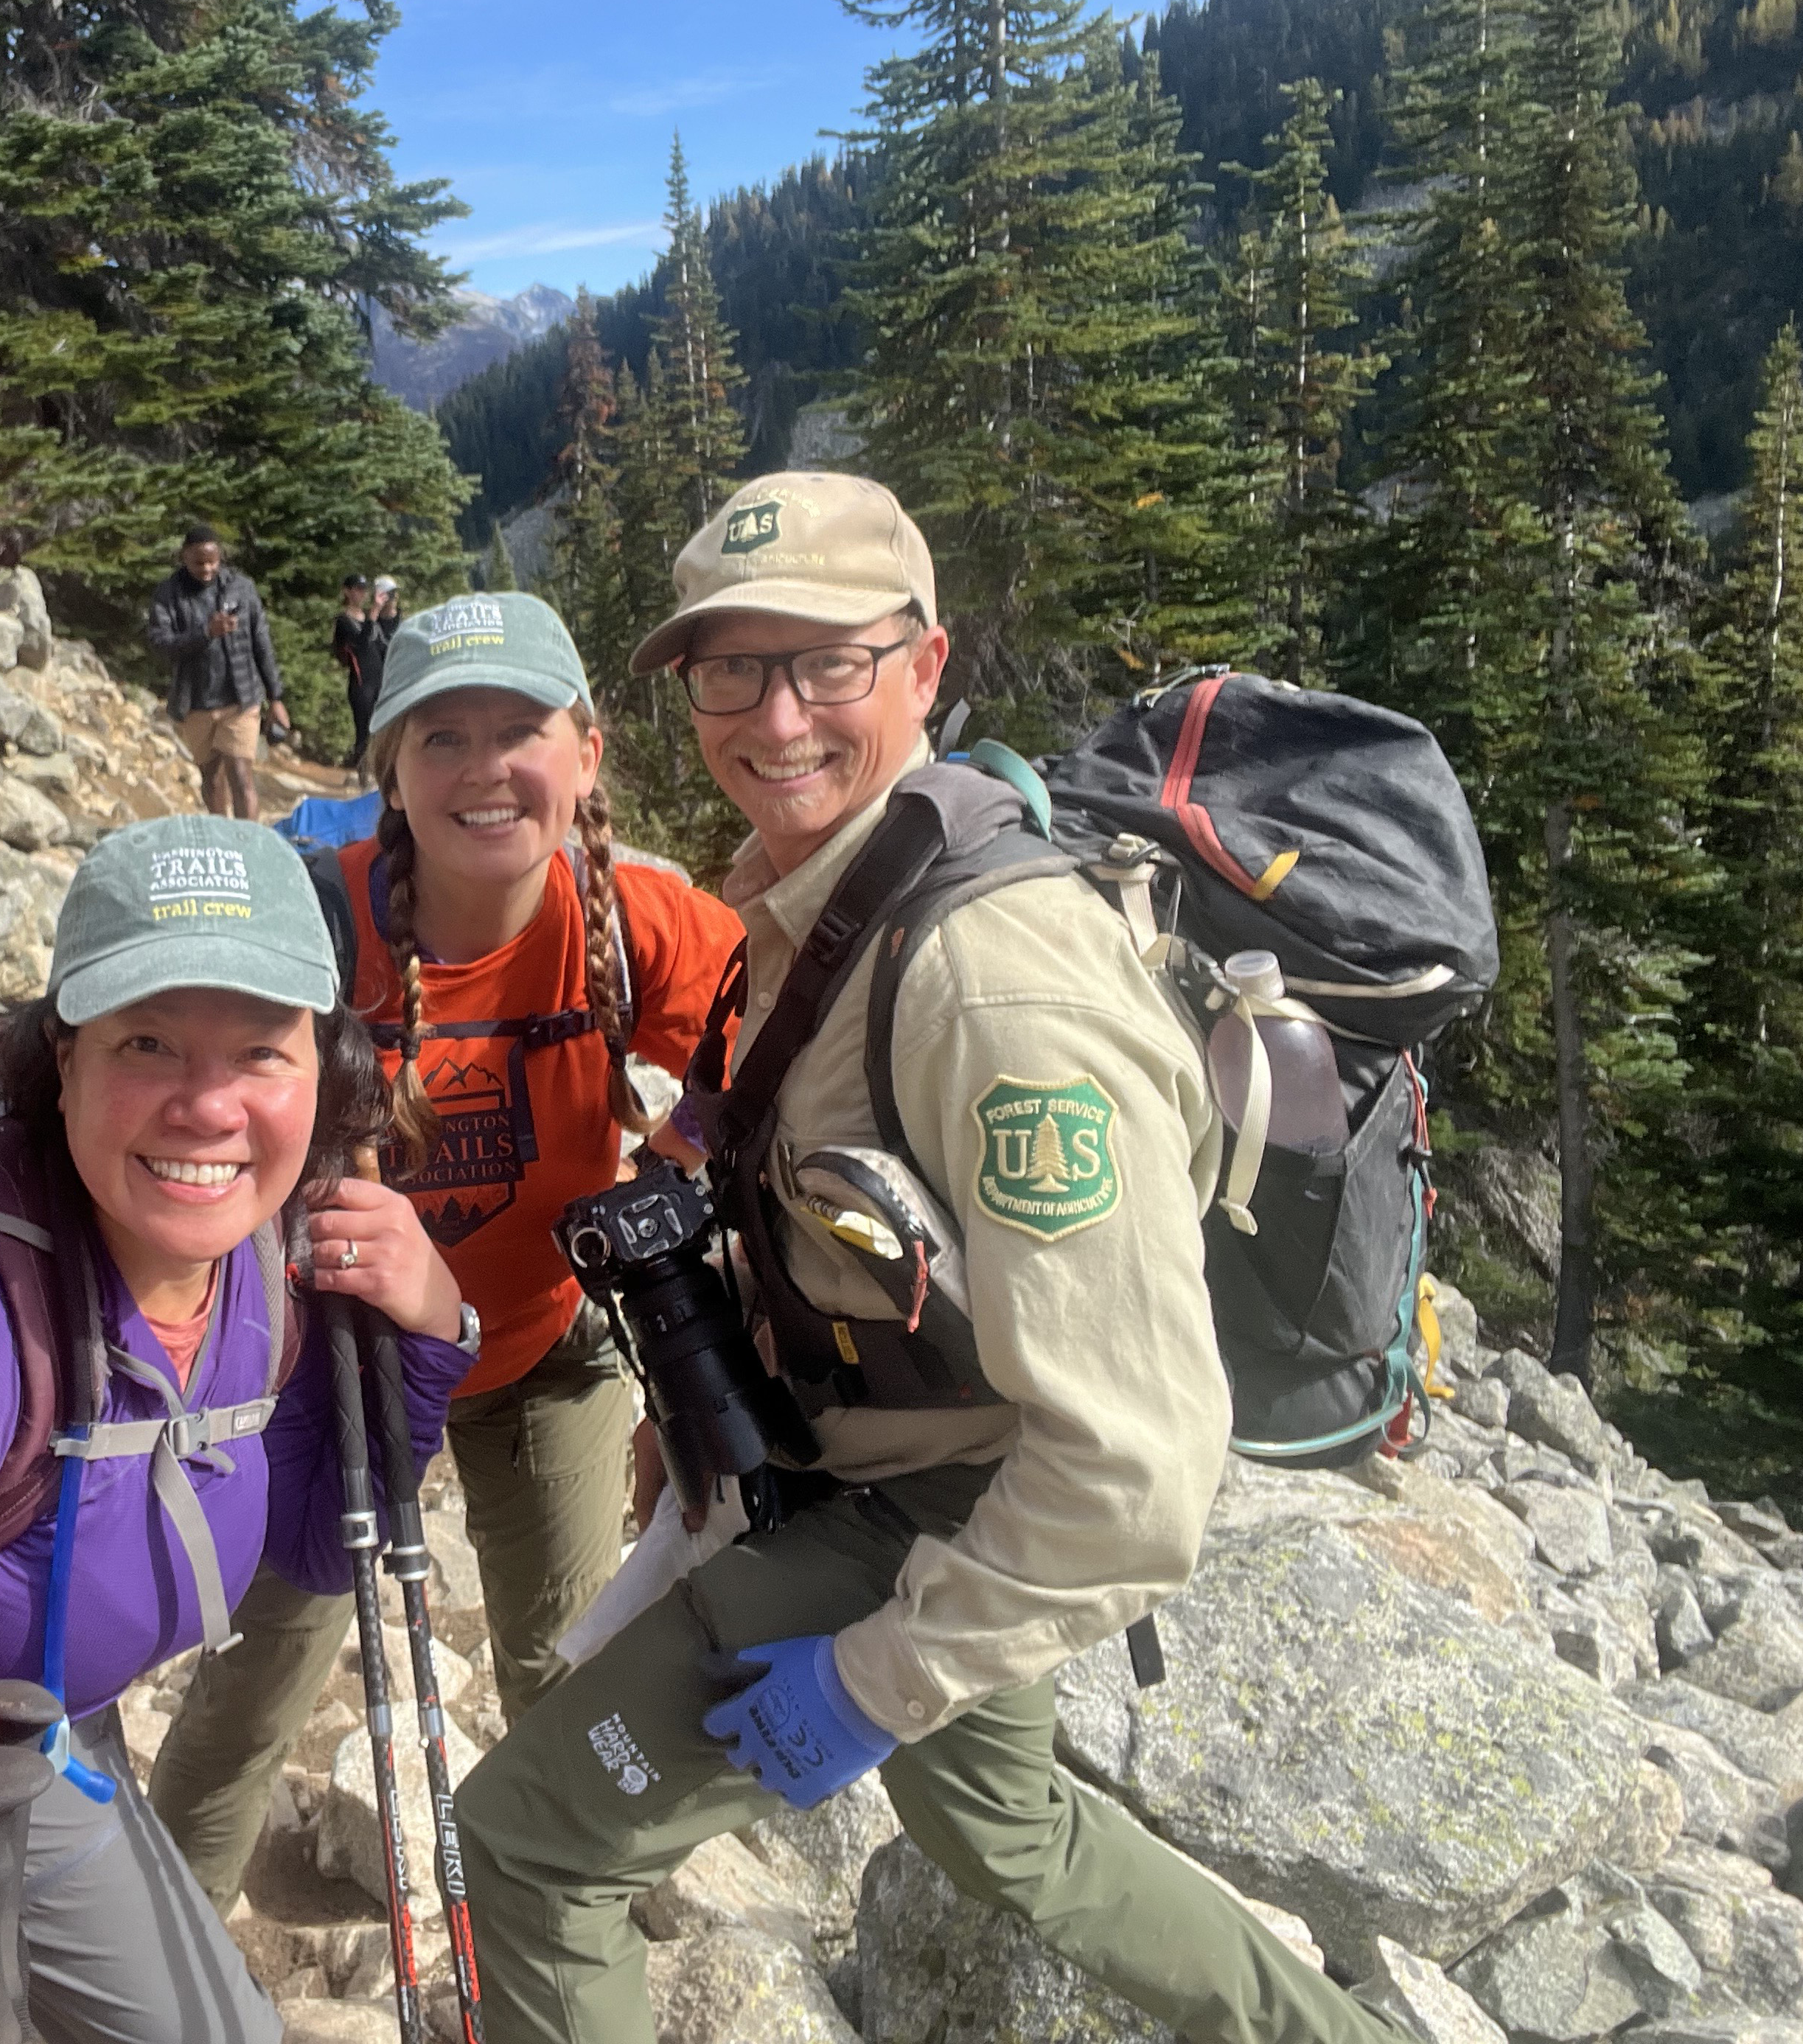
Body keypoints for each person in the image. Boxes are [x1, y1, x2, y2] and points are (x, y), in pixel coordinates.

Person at [452, 473, 1405, 2044]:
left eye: (830, 662)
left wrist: (877, 1680)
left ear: (926, 664)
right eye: (729, 668)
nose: (774, 717)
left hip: (947, 1500)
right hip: (883, 1447)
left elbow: (1138, 1473)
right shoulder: (839, 894)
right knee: (1004, 1828)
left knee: (533, 1844)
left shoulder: (991, 988)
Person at [0, 815, 473, 2044]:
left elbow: (322, 1551)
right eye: (147, 1040)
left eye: (260, 1052)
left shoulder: (269, 1266)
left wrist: (429, 1330)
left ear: (325, 1068)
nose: (205, 1104)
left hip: (19, 1752)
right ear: (63, 1060)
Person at [148, 591, 745, 1916]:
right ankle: (163, 1926)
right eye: (442, 737)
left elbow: (753, 1051)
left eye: (517, 729)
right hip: (342, 1362)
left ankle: (577, 1896)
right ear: (391, 774)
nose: (483, 768)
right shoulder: (316, 918)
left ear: (585, 753)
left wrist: (674, 1171)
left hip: (543, 1345)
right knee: (267, 1666)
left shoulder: (634, 925)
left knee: (563, 1654)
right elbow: (180, 1096)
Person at [146, 526, 287, 820]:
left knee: (241, 773)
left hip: (240, 699)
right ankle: (221, 838)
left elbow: (262, 642)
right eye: (200, 562)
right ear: (184, 557)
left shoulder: (241, 588)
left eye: (213, 561)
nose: (208, 569)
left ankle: (247, 845)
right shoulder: (168, 594)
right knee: (211, 779)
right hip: (196, 702)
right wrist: (205, 633)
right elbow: (161, 645)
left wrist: (276, 697)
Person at [330, 573, 386, 769]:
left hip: (379, 682)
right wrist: (372, 616)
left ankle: (379, 777)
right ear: (347, 591)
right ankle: (361, 775)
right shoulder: (343, 621)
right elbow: (360, 645)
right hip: (361, 685)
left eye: (364, 590)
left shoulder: (372, 620)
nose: (361, 594)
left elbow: (381, 648)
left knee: (383, 731)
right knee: (364, 733)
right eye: (357, 589)